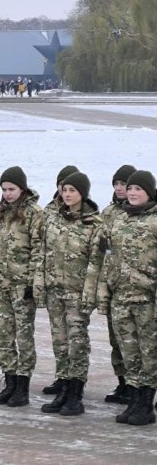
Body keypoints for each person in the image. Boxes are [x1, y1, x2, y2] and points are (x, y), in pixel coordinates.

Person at [34, 171, 105, 416]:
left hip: (77, 293)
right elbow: (42, 254)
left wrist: (89, 294)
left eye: (72, 191)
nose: (67, 195)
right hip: (55, 290)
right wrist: (40, 284)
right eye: (64, 190)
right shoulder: (53, 219)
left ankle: (76, 393)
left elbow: (96, 263)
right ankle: (63, 388)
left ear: (82, 193)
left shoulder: (93, 223)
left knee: (77, 343)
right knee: (60, 342)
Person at [0, 166, 42, 407]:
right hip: (0, 283)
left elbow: (38, 249)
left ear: (22, 188)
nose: (7, 194)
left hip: (21, 284)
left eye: (12, 189)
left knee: (24, 336)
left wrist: (31, 282)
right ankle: (10, 382)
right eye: (4, 189)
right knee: (4, 335)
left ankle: (23, 386)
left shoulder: (33, 213)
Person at [100, 170, 157, 425]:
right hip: (121, 298)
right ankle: (134, 400)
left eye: (138, 190)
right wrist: (106, 291)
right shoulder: (119, 219)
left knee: (149, 354)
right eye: (130, 189)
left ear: (149, 193)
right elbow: (108, 258)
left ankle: (146, 405)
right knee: (129, 353)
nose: (132, 193)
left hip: (147, 300)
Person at [100, 164, 137, 405]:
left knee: (142, 342)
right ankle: (123, 383)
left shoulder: (144, 213)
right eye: (117, 184)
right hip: (115, 285)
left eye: (124, 184)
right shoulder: (110, 212)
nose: (120, 188)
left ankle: (142, 388)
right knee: (117, 338)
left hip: (139, 289)